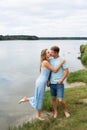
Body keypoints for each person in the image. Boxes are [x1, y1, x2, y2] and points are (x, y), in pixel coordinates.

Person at [19, 48, 65, 121]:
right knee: (39, 98)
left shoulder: (46, 61)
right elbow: (55, 70)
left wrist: (48, 81)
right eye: (47, 53)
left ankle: (26, 99)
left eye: (49, 52)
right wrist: (61, 63)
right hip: (40, 82)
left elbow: (44, 73)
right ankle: (38, 116)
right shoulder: (45, 62)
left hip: (41, 81)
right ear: (44, 55)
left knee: (38, 97)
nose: (49, 53)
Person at [48, 46, 70, 118]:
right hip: (51, 83)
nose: (50, 53)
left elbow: (66, 71)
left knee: (60, 100)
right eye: (50, 52)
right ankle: (55, 112)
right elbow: (48, 71)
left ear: (56, 52)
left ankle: (65, 111)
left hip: (59, 83)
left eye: (51, 52)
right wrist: (48, 80)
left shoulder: (62, 60)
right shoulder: (50, 60)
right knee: (53, 99)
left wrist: (61, 80)